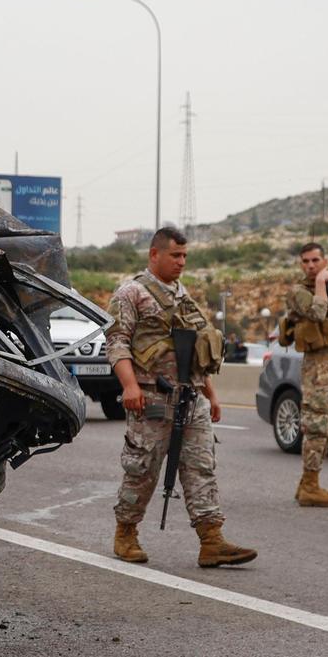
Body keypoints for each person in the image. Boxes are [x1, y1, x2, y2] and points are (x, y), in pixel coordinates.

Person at [107, 227, 257, 568]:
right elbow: (117, 342)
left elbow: (193, 350)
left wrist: (211, 394)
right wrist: (130, 386)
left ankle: (211, 540)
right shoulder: (131, 293)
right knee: (142, 469)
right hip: (150, 397)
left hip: (191, 398)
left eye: (185, 256)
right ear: (154, 254)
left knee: (201, 466)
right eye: (175, 255)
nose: (182, 262)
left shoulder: (182, 294)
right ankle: (126, 532)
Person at [280, 242, 328, 507]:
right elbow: (318, 313)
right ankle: (309, 485)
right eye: (305, 261)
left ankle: (310, 481)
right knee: (317, 425)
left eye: (315, 260)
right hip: (316, 366)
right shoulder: (298, 292)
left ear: (325, 260)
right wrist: (321, 282)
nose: (310, 265)